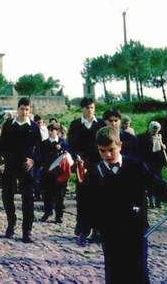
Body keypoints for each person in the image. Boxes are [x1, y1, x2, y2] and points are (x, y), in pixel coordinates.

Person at [87, 126, 167, 283]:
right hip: (110, 231)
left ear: (120, 145)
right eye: (102, 151)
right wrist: (88, 226)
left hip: (135, 228)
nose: (107, 155)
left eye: (111, 150)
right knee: (115, 272)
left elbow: (158, 187)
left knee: (139, 272)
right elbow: (91, 202)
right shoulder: (96, 172)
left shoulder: (136, 167)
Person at [0, 97, 42, 243]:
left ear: (30, 110)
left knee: (28, 198)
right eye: (22, 109)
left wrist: (33, 159)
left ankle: (27, 231)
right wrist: (0, 160)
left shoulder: (34, 127)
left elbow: (40, 148)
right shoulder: (8, 124)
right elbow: (1, 145)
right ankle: (11, 223)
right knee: (7, 195)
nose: (24, 112)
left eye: (27, 109)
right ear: (18, 109)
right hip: (10, 164)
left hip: (26, 166)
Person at [67, 97, 105, 246]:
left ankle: (98, 230)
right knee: (83, 199)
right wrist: (76, 157)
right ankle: (83, 231)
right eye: (87, 108)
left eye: (92, 108)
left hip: (99, 167)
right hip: (81, 166)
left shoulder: (101, 124)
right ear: (82, 109)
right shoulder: (75, 125)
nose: (90, 110)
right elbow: (70, 145)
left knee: (99, 199)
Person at [38, 124, 70, 223]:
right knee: (47, 194)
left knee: (59, 195)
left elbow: (69, 154)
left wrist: (61, 149)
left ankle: (59, 216)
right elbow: (40, 156)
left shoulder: (63, 142)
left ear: (58, 131)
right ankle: (47, 212)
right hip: (47, 172)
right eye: (50, 130)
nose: (51, 132)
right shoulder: (44, 143)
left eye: (54, 130)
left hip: (60, 172)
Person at [137, 121, 167, 208]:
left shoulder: (159, 136)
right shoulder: (143, 137)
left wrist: (163, 146)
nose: (155, 131)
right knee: (149, 183)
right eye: (154, 129)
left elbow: (163, 146)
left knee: (159, 182)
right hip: (148, 162)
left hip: (158, 162)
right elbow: (141, 150)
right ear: (150, 128)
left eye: (157, 130)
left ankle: (158, 202)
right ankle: (151, 202)